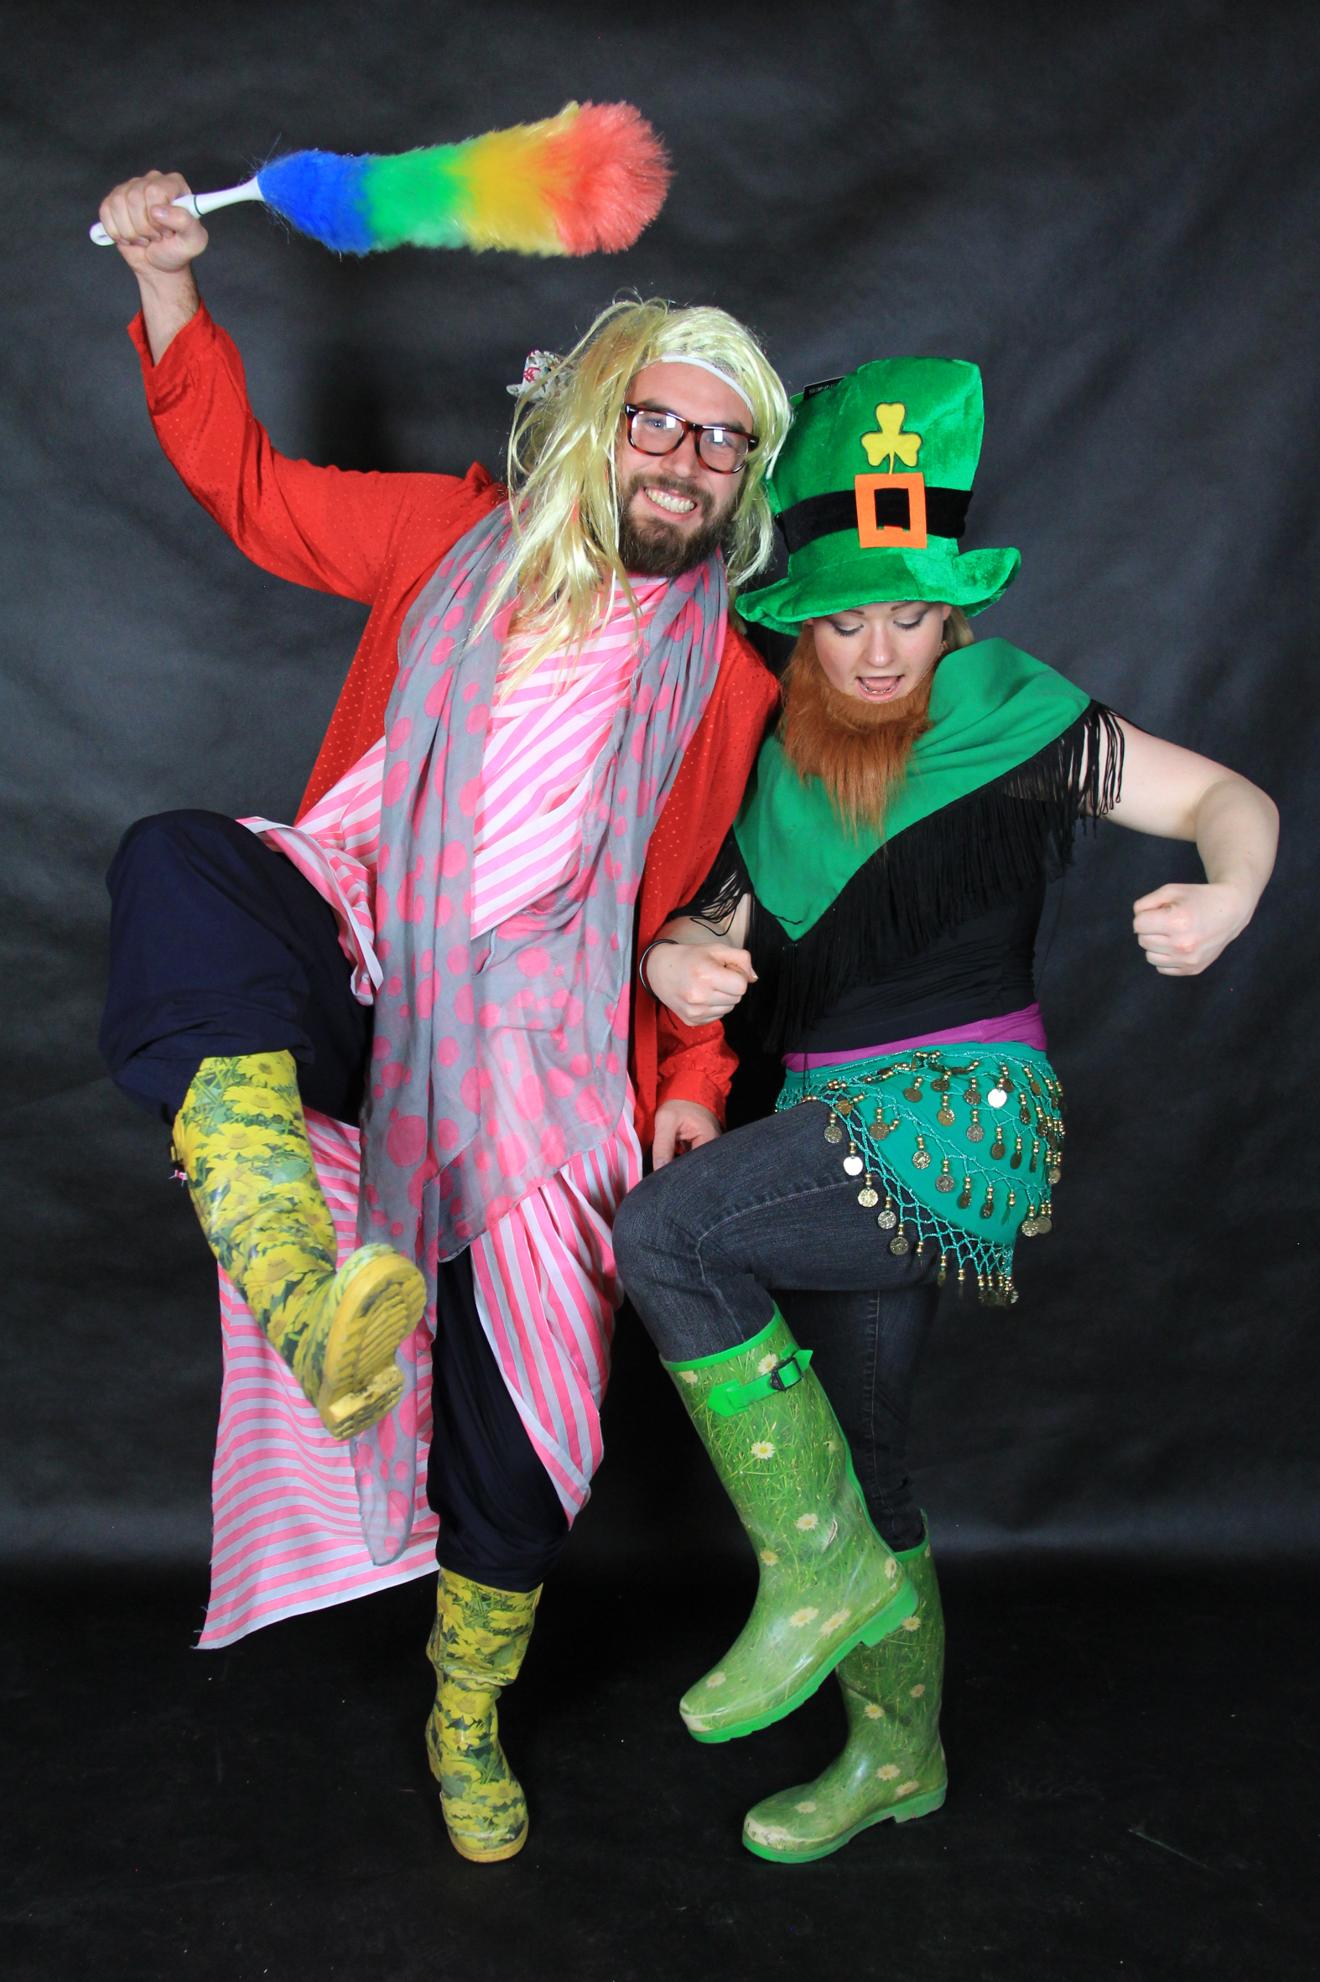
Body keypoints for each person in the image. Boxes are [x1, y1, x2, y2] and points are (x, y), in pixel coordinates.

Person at [95, 169, 790, 1862]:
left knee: (531, 1425)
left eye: (721, 444)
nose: (684, 461)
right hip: (358, 948)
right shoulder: (450, 540)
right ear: (599, 425)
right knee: (182, 864)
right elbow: (253, 493)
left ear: (746, 480)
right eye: (659, 423)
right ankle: (307, 1296)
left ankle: (464, 1709)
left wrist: (694, 1065)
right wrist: (172, 288)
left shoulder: (735, 678)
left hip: (550, 1053)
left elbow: (713, 908)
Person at [612, 356, 1278, 1863]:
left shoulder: (1009, 712)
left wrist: (1231, 891)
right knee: (867, 1459)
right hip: (820, 1130)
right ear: (803, 617)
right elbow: (706, 924)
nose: (879, 649)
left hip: (960, 1120)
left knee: (664, 1236)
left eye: (910, 616)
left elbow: (1224, 799)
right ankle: (897, 1755)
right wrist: (676, 960)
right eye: (847, 617)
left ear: (951, 612)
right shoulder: (776, 757)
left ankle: (814, 1571)